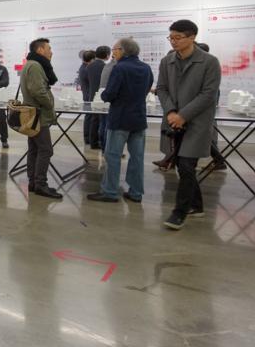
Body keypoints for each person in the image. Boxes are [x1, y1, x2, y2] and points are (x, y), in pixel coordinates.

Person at [157, 20, 221, 231]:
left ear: (192, 37)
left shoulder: (209, 62)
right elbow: (162, 89)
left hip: (197, 122)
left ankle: (179, 212)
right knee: (183, 167)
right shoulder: (167, 62)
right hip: (174, 121)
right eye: (171, 37)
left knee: (186, 165)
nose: (173, 41)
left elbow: (208, 94)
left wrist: (183, 115)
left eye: (178, 37)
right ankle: (197, 205)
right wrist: (171, 112)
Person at [87, 38, 153, 203]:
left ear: (123, 50)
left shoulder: (120, 68)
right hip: (139, 118)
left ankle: (110, 191)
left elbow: (109, 94)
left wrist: (103, 94)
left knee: (113, 156)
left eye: (115, 49)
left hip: (120, 118)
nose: (113, 52)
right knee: (137, 157)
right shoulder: (146, 68)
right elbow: (148, 87)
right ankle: (136, 192)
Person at [20, 38, 61, 199]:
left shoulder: (31, 64)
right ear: (40, 50)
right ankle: (41, 184)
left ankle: (33, 183)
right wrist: (50, 104)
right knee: (45, 149)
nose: (51, 51)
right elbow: (38, 91)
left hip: (33, 114)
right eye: (49, 48)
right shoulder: (36, 66)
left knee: (35, 149)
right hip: (38, 115)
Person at [196, 42, 227, 170]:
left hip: (204, 110)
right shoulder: (208, 65)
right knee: (207, 137)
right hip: (206, 109)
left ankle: (219, 160)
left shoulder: (206, 66)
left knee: (207, 137)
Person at [98, 43, 123, 152]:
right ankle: (108, 149)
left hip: (104, 98)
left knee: (104, 124)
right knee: (109, 126)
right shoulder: (115, 66)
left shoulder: (108, 65)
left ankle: (104, 148)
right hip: (110, 99)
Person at [86, 46, 109, 149]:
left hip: (92, 95)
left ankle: (93, 142)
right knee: (103, 121)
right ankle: (101, 143)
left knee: (94, 119)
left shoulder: (89, 66)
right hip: (101, 96)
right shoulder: (105, 67)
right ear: (107, 55)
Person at [78, 50, 95, 146]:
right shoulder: (86, 69)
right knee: (89, 117)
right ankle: (87, 138)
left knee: (89, 117)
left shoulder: (84, 67)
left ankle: (88, 137)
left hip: (87, 95)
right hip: (88, 96)